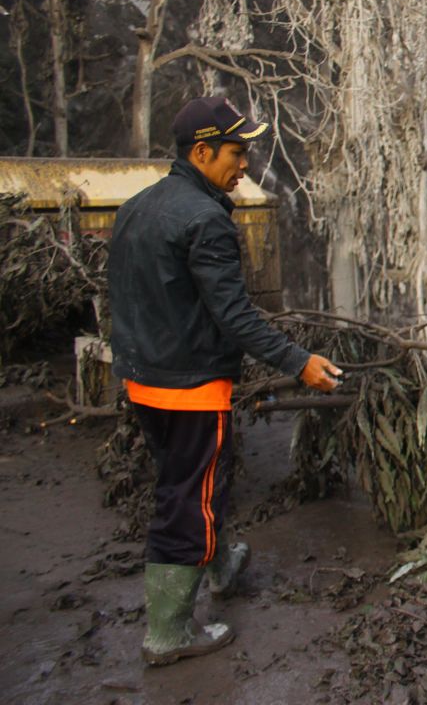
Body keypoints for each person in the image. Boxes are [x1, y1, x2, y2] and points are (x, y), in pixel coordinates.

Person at [107, 96, 343, 666]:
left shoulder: (138, 206)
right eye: (237, 153)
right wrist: (298, 361)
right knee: (190, 500)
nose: (245, 166)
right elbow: (233, 315)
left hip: (144, 379)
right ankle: (168, 633)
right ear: (203, 150)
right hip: (189, 387)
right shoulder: (206, 219)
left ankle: (217, 565)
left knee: (190, 481)